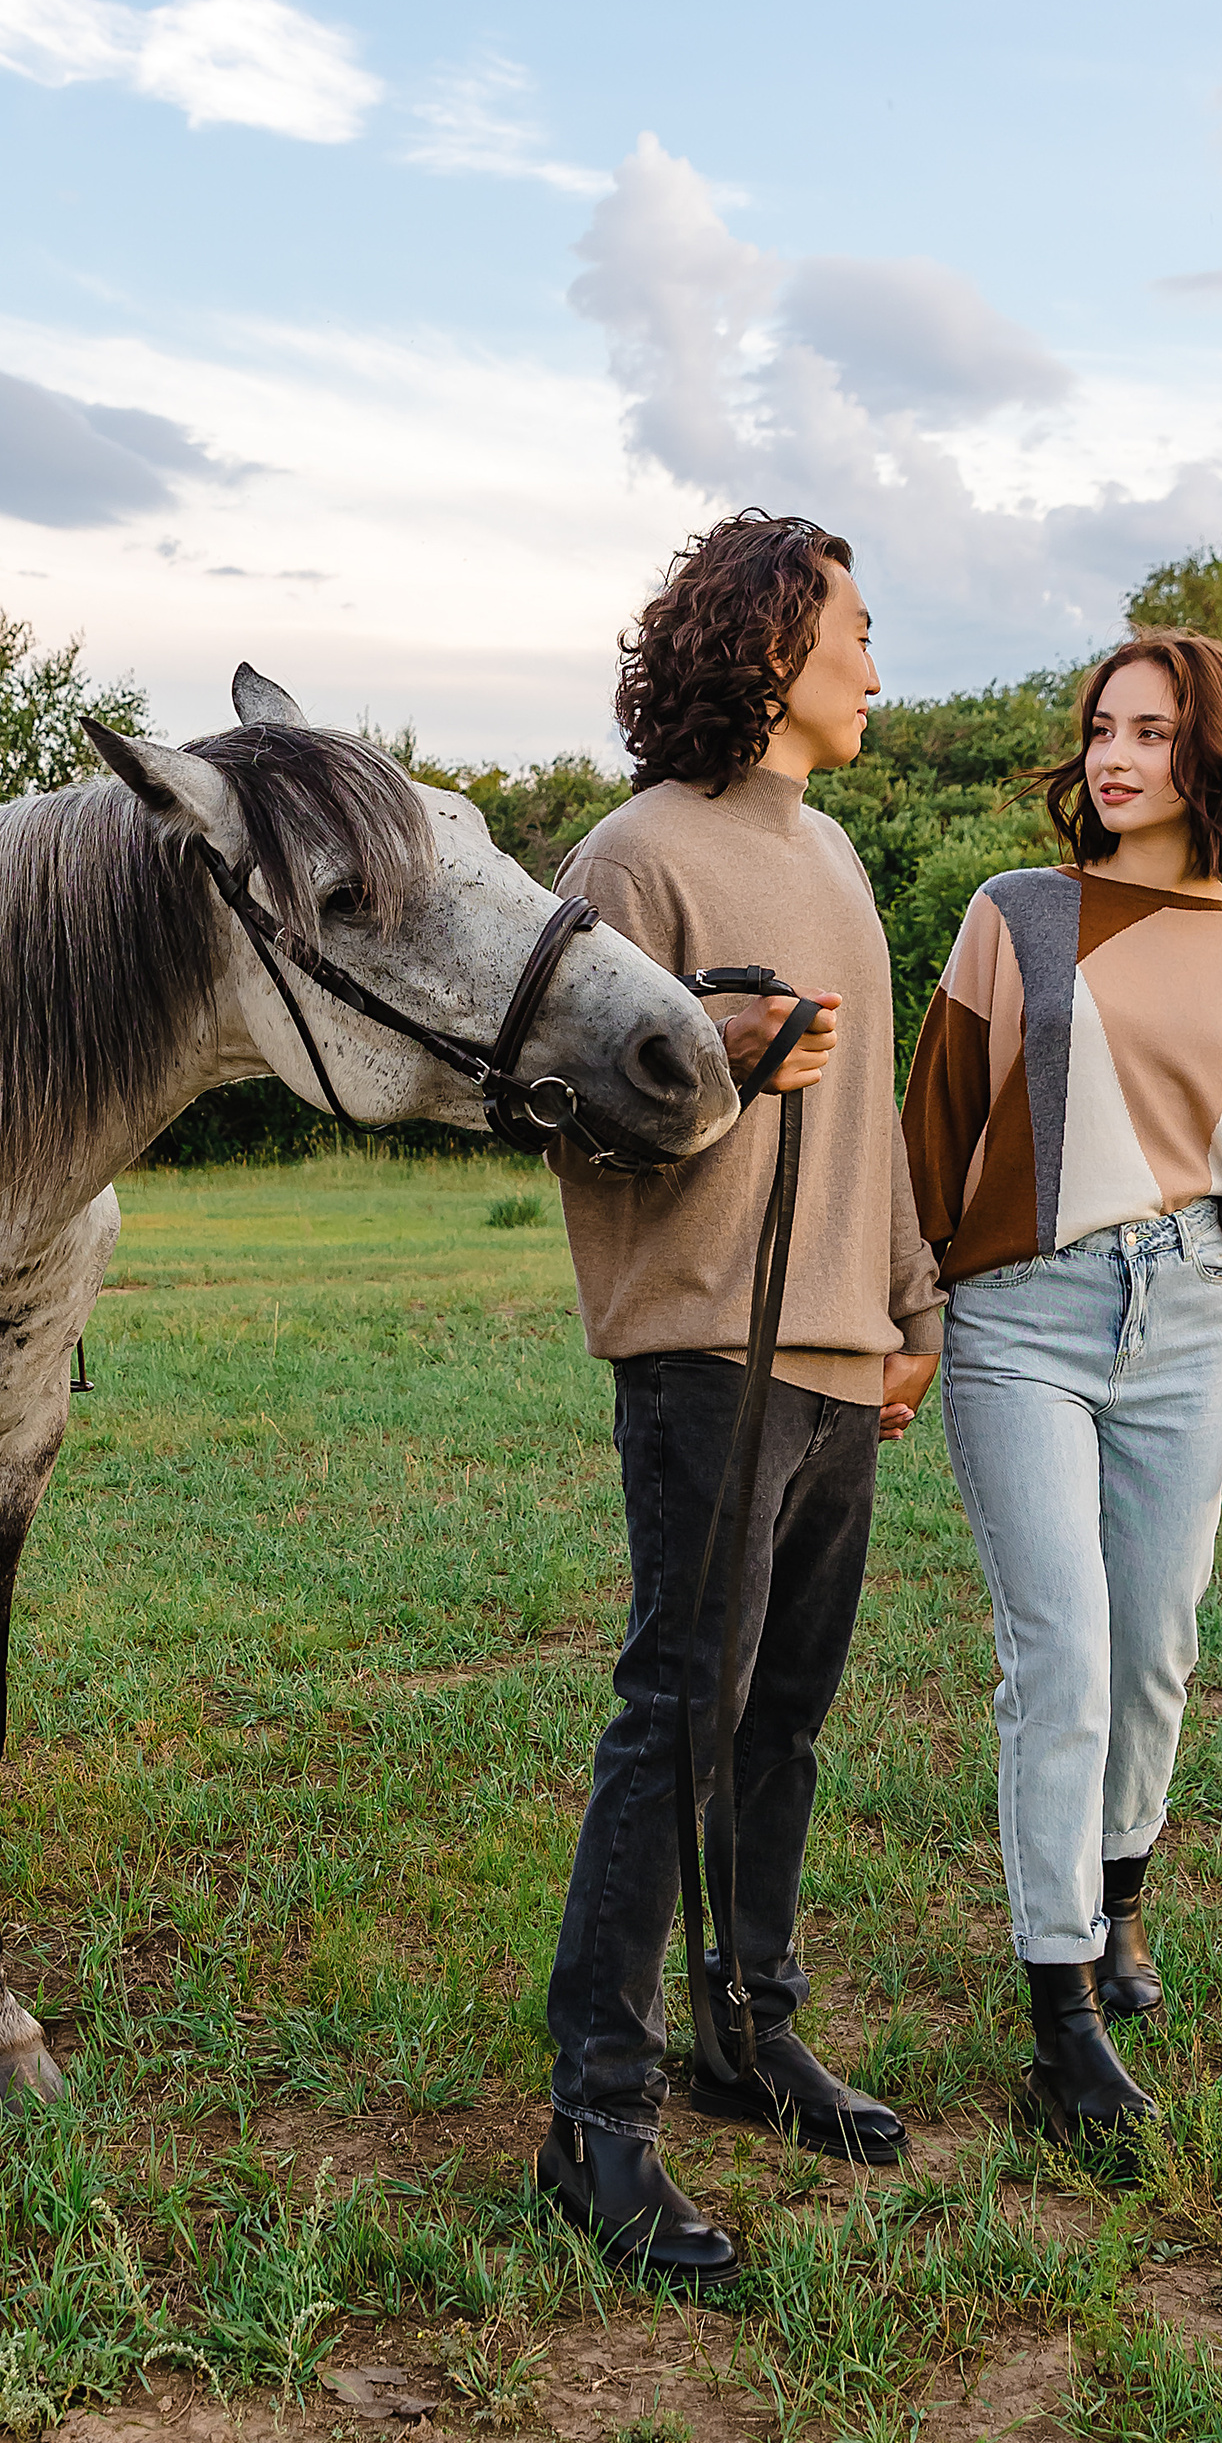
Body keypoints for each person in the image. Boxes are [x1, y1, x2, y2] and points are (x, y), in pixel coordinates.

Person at [535, 511, 944, 2287]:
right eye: (855, 630)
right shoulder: (631, 859)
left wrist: (911, 1294)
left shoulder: (836, 852)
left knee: (783, 1719)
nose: (876, 663)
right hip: (707, 1345)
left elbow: (880, 1111)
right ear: (773, 647)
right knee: (677, 1719)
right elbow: (545, 1099)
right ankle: (593, 2119)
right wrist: (713, 1036)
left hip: (841, 1353)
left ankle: (745, 2027)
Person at [901, 628, 1222, 2145]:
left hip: (1193, 1324)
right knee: (1061, 1656)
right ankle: (1060, 2018)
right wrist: (910, 1311)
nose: (1114, 755)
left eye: (1150, 730)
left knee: (1154, 1653)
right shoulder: (1016, 915)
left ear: (1213, 754)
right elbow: (931, 1127)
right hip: (1022, 1316)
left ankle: (1120, 1902)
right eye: (1100, 728)